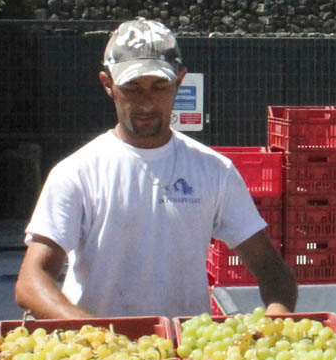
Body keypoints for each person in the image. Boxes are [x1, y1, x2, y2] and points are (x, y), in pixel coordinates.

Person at [15, 17, 298, 319]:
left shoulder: (214, 170)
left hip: (185, 357)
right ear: (107, 83)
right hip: (101, 359)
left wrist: (275, 324)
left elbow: (271, 269)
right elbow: (31, 281)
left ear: (180, 80)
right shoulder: (77, 173)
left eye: (159, 86)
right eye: (132, 87)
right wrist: (94, 334)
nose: (147, 103)